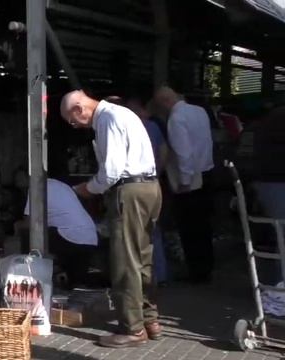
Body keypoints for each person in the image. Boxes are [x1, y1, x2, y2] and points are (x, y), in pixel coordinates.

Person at [60, 90, 162, 348]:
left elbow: (112, 171)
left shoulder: (106, 119)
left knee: (125, 261)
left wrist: (88, 188)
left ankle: (132, 328)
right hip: (150, 187)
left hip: (129, 192)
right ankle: (150, 320)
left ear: (79, 109)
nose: (77, 126)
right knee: (143, 258)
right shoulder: (123, 113)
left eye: (73, 121)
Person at [154, 86, 214, 283]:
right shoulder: (200, 111)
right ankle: (206, 268)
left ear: (164, 102)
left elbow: (183, 152)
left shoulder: (176, 118)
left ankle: (196, 272)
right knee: (204, 226)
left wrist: (185, 182)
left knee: (190, 228)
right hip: (207, 172)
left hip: (190, 180)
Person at [22, 178, 98, 286]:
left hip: (70, 237)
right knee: (74, 283)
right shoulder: (60, 185)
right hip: (90, 237)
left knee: (27, 234)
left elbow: (30, 222)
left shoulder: (36, 187)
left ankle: (32, 277)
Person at [127, 98, 169, 285]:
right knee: (154, 230)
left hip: (134, 183)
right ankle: (159, 274)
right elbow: (164, 151)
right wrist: (157, 172)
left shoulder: (129, 128)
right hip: (153, 182)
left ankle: (142, 278)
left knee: (136, 233)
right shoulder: (153, 127)